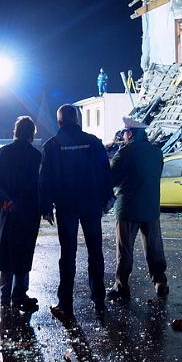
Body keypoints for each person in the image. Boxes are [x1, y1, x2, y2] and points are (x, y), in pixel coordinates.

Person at [39, 104, 113, 321]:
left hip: (66, 206)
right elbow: (104, 171)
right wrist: (106, 197)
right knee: (95, 251)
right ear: (78, 120)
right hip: (91, 204)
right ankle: (99, 298)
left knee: (68, 255)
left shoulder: (52, 146)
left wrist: (46, 207)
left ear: (60, 122)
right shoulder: (93, 142)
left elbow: (45, 179)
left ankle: (65, 304)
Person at [107, 117, 168, 302]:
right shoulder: (156, 152)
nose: (123, 136)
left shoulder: (125, 153)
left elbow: (111, 178)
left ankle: (121, 285)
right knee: (154, 247)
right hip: (150, 207)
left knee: (125, 250)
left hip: (128, 209)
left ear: (130, 133)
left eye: (125, 133)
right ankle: (160, 282)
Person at [0, 116, 43, 313]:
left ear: (15, 131)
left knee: (6, 251)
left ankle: (4, 295)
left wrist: (3, 201)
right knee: (24, 251)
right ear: (31, 134)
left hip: (8, 210)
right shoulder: (36, 156)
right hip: (28, 210)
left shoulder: (2, 153)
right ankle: (20, 294)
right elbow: (38, 185)